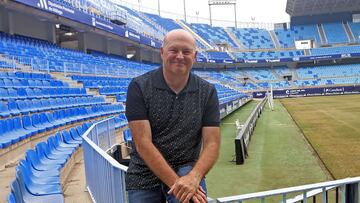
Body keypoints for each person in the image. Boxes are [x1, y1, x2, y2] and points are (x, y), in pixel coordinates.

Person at [125, 29, 220, 203]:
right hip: (144, 172)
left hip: (187, 168)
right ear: (162, 53)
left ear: (195, 56)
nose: (180, 56)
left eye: (186, 51)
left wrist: (194, 178)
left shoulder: (207, 92)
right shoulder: (139, 86)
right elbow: (142, 143)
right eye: (173, 50)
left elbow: (212, 143)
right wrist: (178, 184)